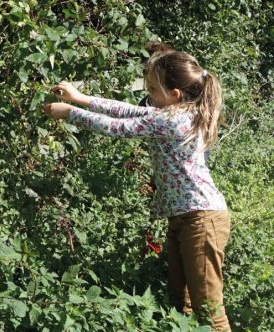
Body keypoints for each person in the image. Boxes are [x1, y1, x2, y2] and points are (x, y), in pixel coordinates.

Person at [43, 46, 231, 331]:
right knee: (181, 303)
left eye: (154, 89)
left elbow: (118, 127)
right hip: (186, 217)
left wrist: (71, 112)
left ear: (174, 94)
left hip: (201, 220)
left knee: (210, 312)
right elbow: (127, 110)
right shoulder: (179, 112)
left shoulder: (173, 119)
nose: (150, 95)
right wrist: (80, 97)